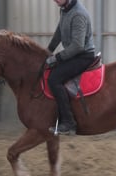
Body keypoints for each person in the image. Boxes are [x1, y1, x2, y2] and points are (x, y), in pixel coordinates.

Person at [46, 0, 96, 135]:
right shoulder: (64, 8)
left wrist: (57, 57)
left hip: (83, 56)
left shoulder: (78, 14)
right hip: (74, 54)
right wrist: (48, 50)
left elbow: (78, 45)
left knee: (54, 79)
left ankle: (69, 122)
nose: (55, 0)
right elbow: (60, 30)